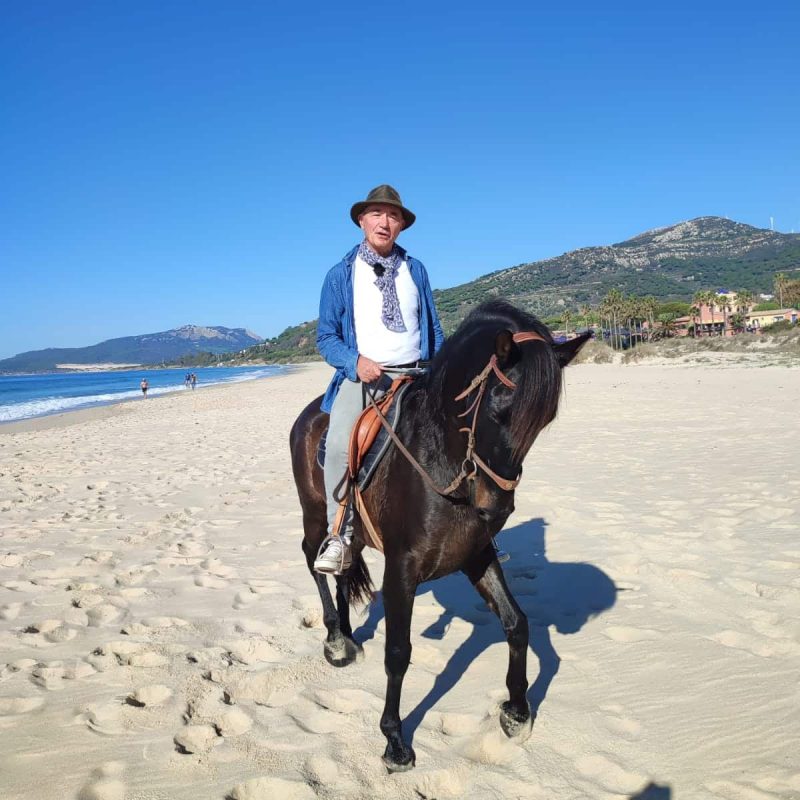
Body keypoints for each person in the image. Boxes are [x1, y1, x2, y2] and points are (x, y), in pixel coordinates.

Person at [311, 184, 444, 574]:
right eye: (377, 214)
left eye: (393, 216)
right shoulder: (341, 274)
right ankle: (341, 534)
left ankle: (476, 530)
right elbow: (326, 337)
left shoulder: (415, 269)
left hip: (418, 376)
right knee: (337, 445)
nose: (385, 222)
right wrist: (355, 362)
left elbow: (432, 326)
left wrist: (441, 369)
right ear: (361, 220)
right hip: (367, 379)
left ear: (402, 224)